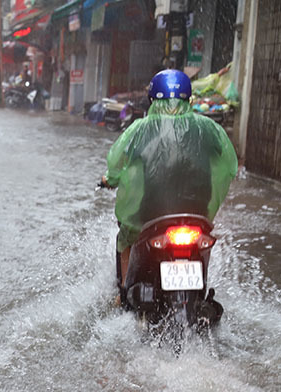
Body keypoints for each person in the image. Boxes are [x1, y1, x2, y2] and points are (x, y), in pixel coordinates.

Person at [101, 69, 238, 288]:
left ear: (152, 99)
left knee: (125, 237)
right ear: (189, 99)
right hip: (197, 213)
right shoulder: (209, 128)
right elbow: (230, 166)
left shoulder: (140, 129)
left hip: (149, 213)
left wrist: (109, 179)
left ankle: (123, 293)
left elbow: (117, 164)